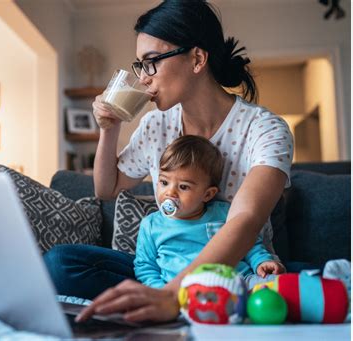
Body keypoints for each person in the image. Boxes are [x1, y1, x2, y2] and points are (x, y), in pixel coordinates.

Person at [43, 0, 294, 323]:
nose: (144, 78)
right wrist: (110, 128)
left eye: (152, 62)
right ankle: (162, 301)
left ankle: (176, 303)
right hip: (164, 273)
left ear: (197, 58)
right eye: (140, 66)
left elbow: (244, 221)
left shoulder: (265, 129)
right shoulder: (155, 125)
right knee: (61, 262)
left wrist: (174, 294)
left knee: (299, 287)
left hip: (238, 270)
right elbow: (107, 189)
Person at [134, 135, 285, 291]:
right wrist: (160, 292)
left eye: (184, 187)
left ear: (208, 194)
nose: (170, 192)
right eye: (164, 182)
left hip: (238, 282)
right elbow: (145, 267)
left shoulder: (224, 212)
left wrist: (261, 261)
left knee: (279, 285)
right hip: (183, 292)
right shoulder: (151, 225)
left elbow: (248, 243)